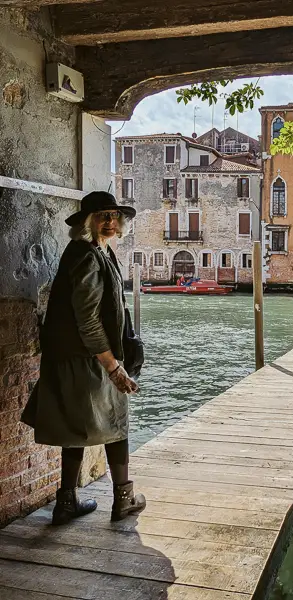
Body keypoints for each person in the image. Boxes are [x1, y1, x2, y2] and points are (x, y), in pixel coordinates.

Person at [21, 191, 146, 526]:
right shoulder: (87, 256)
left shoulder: (95, 251)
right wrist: (113, 366)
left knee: (76, 429)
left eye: (113, 215)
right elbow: (87, 318)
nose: (109, 221)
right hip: (88, 358)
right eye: (101, 216)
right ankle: (124, 499)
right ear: (88, 222)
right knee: (116, 425)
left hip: (73, 356)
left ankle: (66, 503)